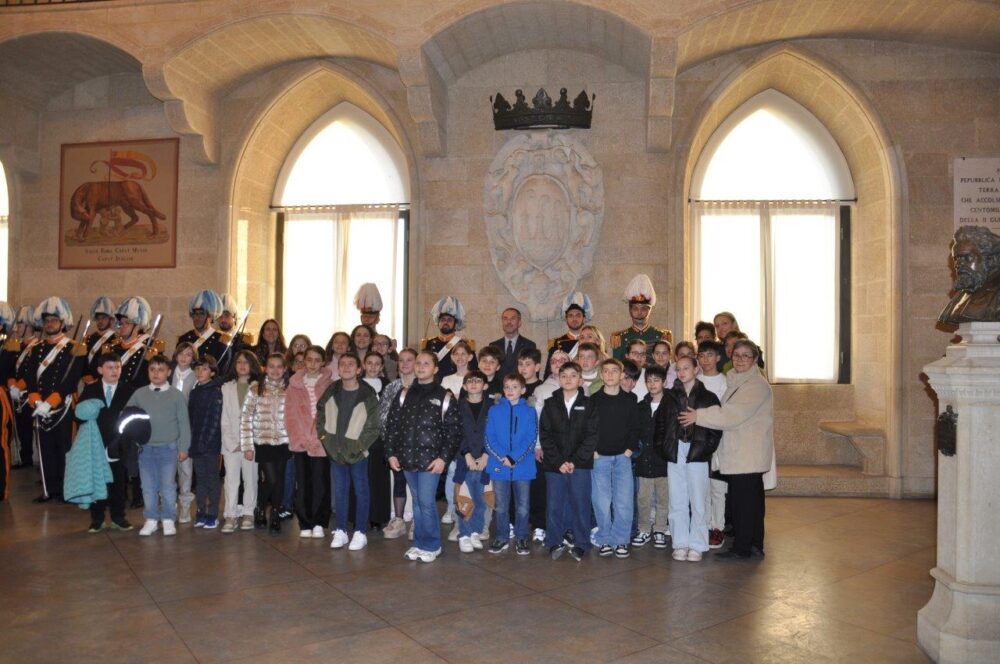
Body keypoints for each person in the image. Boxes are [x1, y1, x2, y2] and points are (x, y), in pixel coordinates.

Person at [679, 339, 773, 560]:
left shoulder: (756, 385)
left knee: (744, 504)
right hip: (743, 454)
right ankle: (753, 545)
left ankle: (743, 548)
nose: (740, 359)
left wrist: (698, 416)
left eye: (746, 356)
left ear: (755, 359)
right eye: (737, 355)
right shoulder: (739, 381)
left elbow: (731, 415)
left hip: (747, 455)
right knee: (750, 502)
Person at [385, 351, 462, 563]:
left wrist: (443, 458)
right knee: (418, 502)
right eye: (418, 363)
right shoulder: (403, 394)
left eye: (426, 363)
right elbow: (392, 427)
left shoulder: (445, 396)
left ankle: (432, 545)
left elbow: (454, 432)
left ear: (435, 369)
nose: (420, 367)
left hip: (431, 461)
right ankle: (419, 543)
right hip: (407, 458)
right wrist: (391, 453)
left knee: (426, 502)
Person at [22, 297, 86, 502]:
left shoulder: (75, 348)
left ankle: (67, 489)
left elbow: (72, 379)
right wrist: (35, 399)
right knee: (45, 448)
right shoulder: (36, 348)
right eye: (47, 320)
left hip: (62, 405)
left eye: (54, 320)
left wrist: (51, 401)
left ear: (63, 322)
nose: (49, 324)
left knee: (64, 448)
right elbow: (30, 376)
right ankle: (50, 489)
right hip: (40, 405)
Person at [659, 355, 721, 562]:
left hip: (697, 452)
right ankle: (680, 543)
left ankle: (697, 544)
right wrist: (665, 448)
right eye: (678, 369)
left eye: (686, 368)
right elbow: (660, 425)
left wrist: (706, 449)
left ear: (696, 369)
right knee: (677, 498)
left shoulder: (708, 397)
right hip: (676, 450)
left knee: (698, 500)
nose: (682, 372)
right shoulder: (669, 397)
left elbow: (716, 428)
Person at [317, 352, 380, 550]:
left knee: (361, 490)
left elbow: (373, 426)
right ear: (338, 368)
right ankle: (341, 530)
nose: (346, 367)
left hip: (358, 452)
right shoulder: (331, 390)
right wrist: (325, 439)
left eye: (351, 364)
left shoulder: (368, 394)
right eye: (342, 364)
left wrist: (360, 447)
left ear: (359, 369)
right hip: (335, 450)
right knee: (340, 490)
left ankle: (360, 532)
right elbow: (320, 416)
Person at [539, 361, 598, 561]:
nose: (568, 379)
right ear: (558, 379)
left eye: (573, 376)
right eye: (564, 376)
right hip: (554, 465)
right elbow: (545, 435)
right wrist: (559, 462)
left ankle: (582, 543)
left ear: (580, 380)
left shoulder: (589, 404)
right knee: (554, 505)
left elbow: (592, 436)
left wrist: (575, 461)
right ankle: (554, 541)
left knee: (580, 505)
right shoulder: (550, 403)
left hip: (580, 465)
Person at [127, 354, 191, 536]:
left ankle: (168, 517)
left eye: (161, 370)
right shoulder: (139, 394)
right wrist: (134, 437)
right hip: (145, 449)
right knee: (147, 486)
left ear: (169, 372)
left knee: (167, 486)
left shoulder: (176, 395)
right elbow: (127, 415)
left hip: (168, 448)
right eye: (152, 369)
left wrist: (183, 447)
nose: (156, 373)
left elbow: (183, 423)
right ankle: (151, 519)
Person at [590, 358, 641, 558]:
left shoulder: (630, 400)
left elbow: (635, 427)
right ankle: (604, 538)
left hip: (622, 457)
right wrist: (593, 450)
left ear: (622, 375)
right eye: (606, 371)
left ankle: (621, 540)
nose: (610, 374)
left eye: (614, 371)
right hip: (600, 457)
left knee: (624, 500)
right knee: (601, 501)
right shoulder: (593, 400)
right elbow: (588, 428)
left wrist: (629, 449)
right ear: (601, 375)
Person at [79, 352, 136, 532]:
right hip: (96, 443)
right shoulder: (91, 390)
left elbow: (134, 416)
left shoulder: (128, 390)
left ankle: (119, 517)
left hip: (119, 443)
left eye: (117, 367)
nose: (114, 371)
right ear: (100, 370)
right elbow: (79, 415)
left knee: (118, 482)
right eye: (110, 367)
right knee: (98, 481)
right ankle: (97, 518)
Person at [484, 373, 538, 555]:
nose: (510, 390)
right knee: (500, 506)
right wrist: (503, 457)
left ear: (523, 390)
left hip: (523, 466)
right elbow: (489, 437)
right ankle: (502, 537)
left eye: (515, 387)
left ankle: (522, 537)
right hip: (499, 466)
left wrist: (514, 458)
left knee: (523, 507)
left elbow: (531, 438)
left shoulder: (530, 411)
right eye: (507, 387)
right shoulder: (494, 410)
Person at [240, 352, 290, 536]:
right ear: (265, 368)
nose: (275, 370)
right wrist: (247, 445)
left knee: (279, 479)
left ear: (285, 369)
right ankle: (260, 507)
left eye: (279, 367)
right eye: (271, 366)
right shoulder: (256, 388)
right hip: (263, 441)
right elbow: (246, 418)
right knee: (271, 479)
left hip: (284, 441)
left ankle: (275, 513)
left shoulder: (290, 389)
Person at [377, 347, 417, 538]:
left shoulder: (424, 386)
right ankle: (399, 520)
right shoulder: (391, 388)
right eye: (401, 360)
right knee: (399, 482)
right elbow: (383, 417)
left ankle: (418, 521)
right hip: (397, 445)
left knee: (418, 485)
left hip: (419, 446)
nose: (405, 363)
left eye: (410, 360)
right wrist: (390, 446)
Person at [219, 349, 260, 533]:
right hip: (231, 443)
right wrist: (232, 442)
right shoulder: (226, 388)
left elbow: (260, 417)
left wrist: (249, 442)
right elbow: (224, 419)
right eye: (239, 362)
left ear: (252, 365)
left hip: (251, 442)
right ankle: (231, 514)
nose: (242, 365)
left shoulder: (259, 387)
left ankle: (249, 512)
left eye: (246, 362)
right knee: (231, 480)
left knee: (251, 479)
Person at [632, 364, 669, 549]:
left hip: (664, 462)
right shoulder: (641, 406)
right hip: (643, 460)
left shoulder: (671, 406)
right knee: (643, 499)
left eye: (656, 380)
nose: (652, 384)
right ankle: (644, 529)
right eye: (649, 381)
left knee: (663, 499)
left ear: (664, 382)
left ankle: (660, 529)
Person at [697, 340, 728, 549]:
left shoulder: (726, 383)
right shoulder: (695, 380)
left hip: (720, 441)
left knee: (718, 487)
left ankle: (718, 527)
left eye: (710, 355)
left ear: (718, 357)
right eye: (701, 355)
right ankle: (705, 525)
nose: (705, 359)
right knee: (702, 487)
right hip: (698, 441)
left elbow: (725, 413)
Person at [187, 355, 224, 529]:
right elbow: (191, 419)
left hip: (211, 445)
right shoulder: (195, 392)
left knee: (212, 479)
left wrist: (205, 442)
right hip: (196, 444)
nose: (200, 372)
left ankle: (213, 513)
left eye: (204, 369)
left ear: (212, 372)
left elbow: (215, 421)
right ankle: (201, 511)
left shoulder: (216, 391)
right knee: (200, 480)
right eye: (197, 368)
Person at [455, 370, 489, 553]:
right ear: (464, 386)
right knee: (464, 498)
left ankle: (475, 531)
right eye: (470, 381)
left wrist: (486, 454)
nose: (474, 383)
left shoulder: (492, 406)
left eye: (478, 380)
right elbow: (455, 432)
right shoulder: (458, 406)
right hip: (464, 458)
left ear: (485, 385)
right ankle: (464, 534)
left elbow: (495, 432)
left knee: (481, 499)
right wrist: (466, 453)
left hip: (485, 459)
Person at [4, 305, 39, 470]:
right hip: (17, 394)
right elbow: (11, 369)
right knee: (21, 427)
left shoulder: (37, 346)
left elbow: (32, 372)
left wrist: (19, 386)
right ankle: (25, 458)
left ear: (29, 326)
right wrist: (12, 384)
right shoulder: (17, 346)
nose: (17, 327)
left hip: (30, 394)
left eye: (20, 324)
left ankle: (38, 460)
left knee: (34, 429)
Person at [610, 274, 673, 363]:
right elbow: (617, 366)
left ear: (649, 310)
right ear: (630, 310)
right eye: (635, 309)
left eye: (643, 309)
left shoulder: (662, 336)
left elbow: (666, 365)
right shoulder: (620, 337)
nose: (639, 312)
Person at [171, 341, 197, 524]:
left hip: (187, 427)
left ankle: (185, 507)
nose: (184, 357)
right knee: (168, 469)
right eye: (181, 353)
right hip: (168, 427)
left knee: (186, 470)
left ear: (193, 358)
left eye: (188, 354)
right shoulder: (167, 372)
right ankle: (170, 506)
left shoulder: (195, 376)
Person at [114, 296, 165, 388]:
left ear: (137, 326)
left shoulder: (149, 346)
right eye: (121, 323)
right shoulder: (115, 347)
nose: (122, 326)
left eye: (127, 323)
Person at [421, 296, 476, 380]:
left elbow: (473, 370)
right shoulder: (429, 343)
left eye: (449, 320)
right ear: (438, 322)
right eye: (442, 320)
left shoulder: (465, 344)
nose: (446, 322)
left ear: (455, 323)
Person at [545, 291, 591, 377]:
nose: (574, 319)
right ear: (566, 319)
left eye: (578, 315)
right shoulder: (557, 343)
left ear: (584, 319)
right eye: (570, 315)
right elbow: (549, 373)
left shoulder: (592, 340)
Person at [178, 289, 228, 361]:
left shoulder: (220, 340)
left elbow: (223, 366)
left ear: (210, 317)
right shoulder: (183, 339)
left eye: (201, 314)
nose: (197, 318)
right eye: (195, 314)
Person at [82, 296, 119, 384]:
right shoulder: (89, 338)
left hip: (106, 382)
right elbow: (83, 361)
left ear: (110, 319)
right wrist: (86, 376)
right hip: (88, 382)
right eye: (98, 318)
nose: (100, 321)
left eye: (104, 318)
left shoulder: (116, 339)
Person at [490, 307, 536, 378]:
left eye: (513, 318)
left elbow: (533, 374)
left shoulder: (530, 345)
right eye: (505, 319)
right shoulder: (493, 346)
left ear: (519, 323)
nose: (509, 322)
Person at [216, 293, 252, 374]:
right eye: (220, 316)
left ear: (234, 317)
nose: (223, 320)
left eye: (227, 316)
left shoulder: (243, 339)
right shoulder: (215, 337)